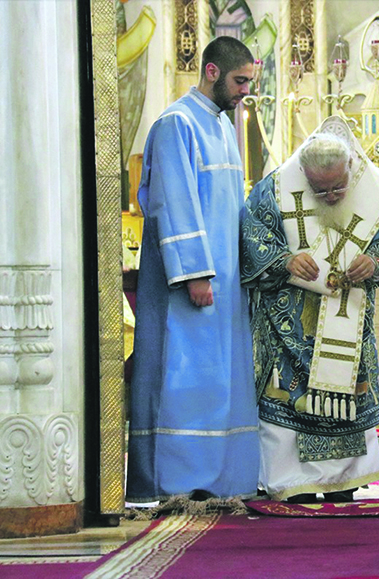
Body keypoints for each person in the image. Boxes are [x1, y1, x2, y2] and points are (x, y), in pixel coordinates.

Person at [241, 117, 379, 503]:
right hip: (289, 325)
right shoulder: (275, 189)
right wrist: (284, 261)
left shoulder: (373, 192)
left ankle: (346, 479)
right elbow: (252, 237)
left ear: (351, 168)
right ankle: (291, 481)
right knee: (289, 395)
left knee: (346, 391)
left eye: (338, 187)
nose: (332, 196)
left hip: (347, 318)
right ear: (303, 173)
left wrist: (376, 261)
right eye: (321, 190)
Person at [126, 36, 259, 504]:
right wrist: (196, 273)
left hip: (225, 281)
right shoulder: (175, 124)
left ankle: (224, 479)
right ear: (211, 72)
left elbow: (234, 204)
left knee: (221, 377)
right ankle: (176, 481)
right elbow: (171, 203)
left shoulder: (223, 125)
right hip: (189, 285)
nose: (246, 91)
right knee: (185, 377)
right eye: (240, 81)